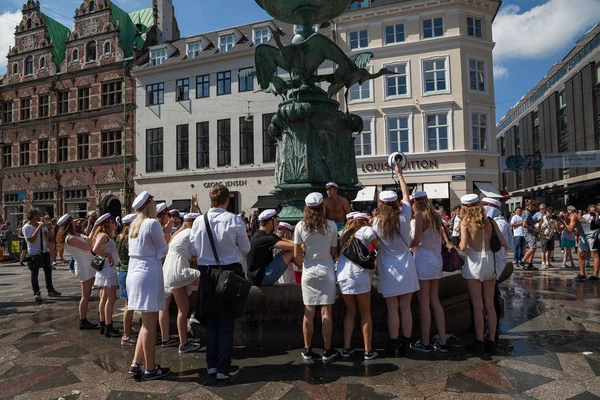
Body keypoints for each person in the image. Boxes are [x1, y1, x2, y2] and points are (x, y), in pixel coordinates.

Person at [191, 185, 250, 382]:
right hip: (228, 273)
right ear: (227, 201)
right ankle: (224, 367)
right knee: (226, 322)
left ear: (211, 200)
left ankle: (212, 365)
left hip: (207, 274)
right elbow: (246, 248)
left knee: (212, 321)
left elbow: (193, 248)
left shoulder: (199, 221)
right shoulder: (234, 220)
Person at [373, 164, 419, 358]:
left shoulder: (376, 222)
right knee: (406, 308)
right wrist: (400, 175)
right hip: (407, 265)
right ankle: (407, 343)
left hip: (388, 268)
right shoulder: (405, 215)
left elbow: (374, 245)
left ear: (381, 204)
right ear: (396, 204)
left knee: (392, 309)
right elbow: (406, 195)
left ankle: (395, 344)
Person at [127, 191, 170, 380]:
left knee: (146, 323)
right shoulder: (152, 223)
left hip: (134, 272)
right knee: (150, 325)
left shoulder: (133, 225)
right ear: (150, 204)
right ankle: (150, 368)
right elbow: (162, 250)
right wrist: (166, 233)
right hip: (148, 272)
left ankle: (136, 363)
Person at [293, 192, 339, 363]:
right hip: (327, 270)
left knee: (309, 312)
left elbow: (297, 254)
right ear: (322, 207)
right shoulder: (332, 226)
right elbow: (334, 252)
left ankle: (307, 350)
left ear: (307, 209)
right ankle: (327, 350)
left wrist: (304, 265)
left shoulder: (300, 226)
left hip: (309, 271)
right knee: (326, 312)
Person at [459, 194, 507, 354]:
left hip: (474, 264)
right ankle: (491, 340)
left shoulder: (465, 222)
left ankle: (479, 341)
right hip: (489, 264)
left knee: (478, 306)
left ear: (465, 207)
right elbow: (503, 243)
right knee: (490, 305)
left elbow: (464, 246)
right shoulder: (490, 222)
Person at [409, 191, 452, 353]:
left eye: (412, 203)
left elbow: (417, 240)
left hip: (423, 261)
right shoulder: (436, 215)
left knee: (424, 303)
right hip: (436, 260)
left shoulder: (420, 216)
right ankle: (442, 340)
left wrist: (405, 247)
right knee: (435, 301)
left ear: (416, 203)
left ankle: (425, 341)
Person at [336, 212, 378, 360]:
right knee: (365, 312)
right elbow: (378, 245)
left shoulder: (344, 233)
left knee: (350, 311)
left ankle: (347, 347)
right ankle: (368, 350)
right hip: (359, 274)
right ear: (365, 221)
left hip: (342, 276)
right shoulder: (366, 229)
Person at [162, 213, 202, 354]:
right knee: (184, 309)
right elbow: (195, 252)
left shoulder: (179, 233)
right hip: (178, 269)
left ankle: (183, 341)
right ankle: (184, 342)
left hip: (169, 269)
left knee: (181, 309)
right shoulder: (190, 233)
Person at [56, 213, 98, 329]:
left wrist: (94, 226)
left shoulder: (74, 235)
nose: (75, 224)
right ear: (69, 224)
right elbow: (89, 246)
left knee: (90, 292)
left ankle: (93, 315)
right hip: (84, 266)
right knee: (85, 295)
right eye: (73, 223)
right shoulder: (70, 238)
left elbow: (88, 239)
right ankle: (82, 320)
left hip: (88, 264)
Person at [247, 209, 299, 286]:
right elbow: (294, 247)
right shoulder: (264, 238)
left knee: (289, 250)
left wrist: (301, 244)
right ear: (269, 223)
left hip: (257, 277)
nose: (277, 224)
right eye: (276, 221)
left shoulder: (263, 235)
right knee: (291, 252)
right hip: (262, 278)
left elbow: (288, 242)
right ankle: (306, 271)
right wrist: (304, 246)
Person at [92, 213, 121, 338]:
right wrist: (108, 255)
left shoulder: (105, 235)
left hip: (106, 270)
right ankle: (108, 325)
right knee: (111, 298)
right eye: (112, 222)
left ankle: (104, 323)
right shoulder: (103, 235)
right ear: (107, 223)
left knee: (104, 298)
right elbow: (95, 249)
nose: (114, 224)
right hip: (107, 270)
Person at [22, 209, 61, 302]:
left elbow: (49, 238)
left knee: (48, 271)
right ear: (33, 215)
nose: (40, 216)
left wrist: (49, 229)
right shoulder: (26, 227)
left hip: (44, 252)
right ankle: (36, 292)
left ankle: (50, 289)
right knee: (34, 273)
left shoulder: (41, 224)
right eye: (38, 214)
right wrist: (38, 228)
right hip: (33, 253)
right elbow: (31, 240)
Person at [117, 214, 137, 346]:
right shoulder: (129, 239)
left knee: (127, 304)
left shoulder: (119, 237)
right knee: (128, 306)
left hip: (122, 271)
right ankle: (126, 335)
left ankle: (127, 329)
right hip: (128, 271)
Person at [566, 205, 600, 281]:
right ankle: (582, 274)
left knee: (594, 254)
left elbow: (571, 228)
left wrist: (596, 217)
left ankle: (595, 275)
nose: (593, 212)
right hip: (584, 236)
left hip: (592, 235)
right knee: (580, 253)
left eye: (594, 210)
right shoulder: (584, 216)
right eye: (591, 210)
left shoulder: (598, 217)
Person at [521, 200, 539, 271]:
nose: (534, 207)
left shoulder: (527, 213)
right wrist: (533, 229)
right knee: (533, 248)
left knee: (532, 248)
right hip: (529, 233)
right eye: (534, 206)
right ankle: (522, 261)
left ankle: (530, 264)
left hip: (529, 233)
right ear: (530, 205)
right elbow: (524, 224)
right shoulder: (527, 213)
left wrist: (536, 221)